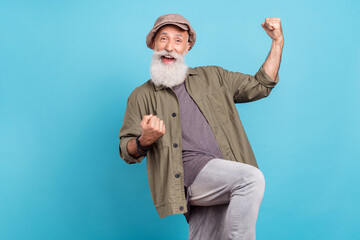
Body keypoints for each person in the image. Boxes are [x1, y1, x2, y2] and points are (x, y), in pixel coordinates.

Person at [119, 13, 283, 240]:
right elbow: (126, 151)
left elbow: (260, 85)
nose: (170, 47)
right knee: (250, 179)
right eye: (163, 39)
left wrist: (277, 42)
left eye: (178, 41)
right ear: (153, 44)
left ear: (187, 47)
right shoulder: (141, 96)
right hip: (186, 174)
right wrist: (144, 139)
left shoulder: (214, 77)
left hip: (221, 174)